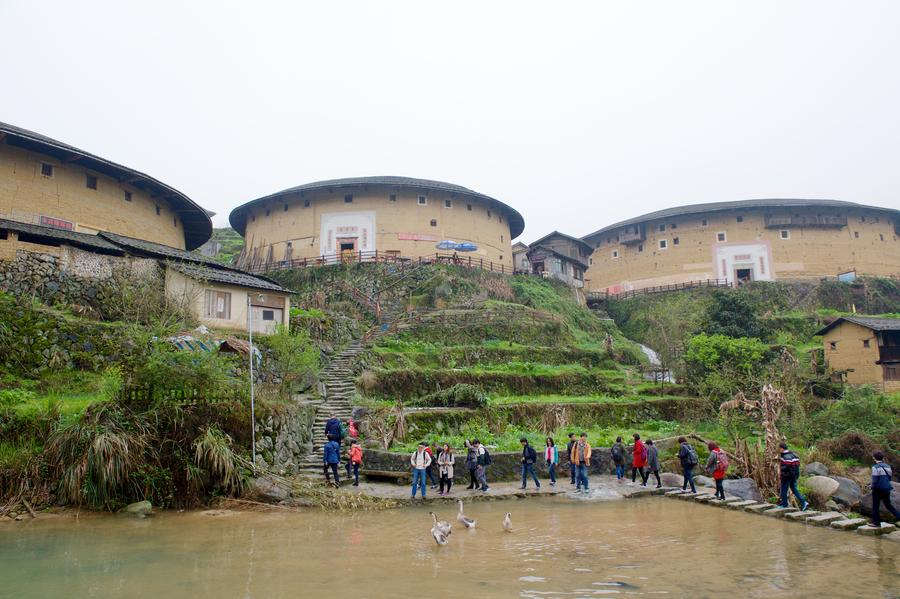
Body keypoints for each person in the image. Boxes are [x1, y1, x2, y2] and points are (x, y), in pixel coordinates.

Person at [870, 450, 899, 527]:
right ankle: (899, 516)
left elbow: (875, 480)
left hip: (877, 490)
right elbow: (889, 478)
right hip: (886, 488)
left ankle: (876, 523)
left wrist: (871, 487)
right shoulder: (888, 466)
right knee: (888, 505)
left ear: (874, 458)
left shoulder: (875, 467)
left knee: (875, 506)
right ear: (882, 458)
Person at [778, 442, 808, 510]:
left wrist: (780, 470)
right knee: (794, 490)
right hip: (794, 476)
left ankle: (784, 504)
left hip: (787, 476)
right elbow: (798, 465)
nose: (779, 450)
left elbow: (786, 467)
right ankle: (804, 502)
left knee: (783, 490)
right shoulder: (794, 454)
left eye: (779, 448)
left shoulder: (785, 456)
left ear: (782, 448)